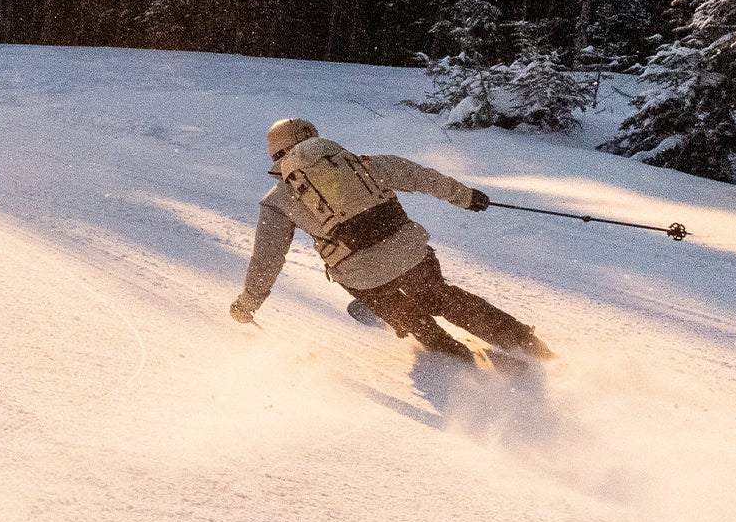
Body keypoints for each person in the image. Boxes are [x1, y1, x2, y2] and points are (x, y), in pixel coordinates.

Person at [234, 117, 556, 364]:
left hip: (362, 275)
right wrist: (467, 197)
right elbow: (420, 176)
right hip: (410, 251)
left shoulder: (278, 200)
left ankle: (456, 362)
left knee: (405, 313)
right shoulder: (361, 163)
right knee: (440, 296)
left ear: (276, 158)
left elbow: (267, 261)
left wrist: (247, 304)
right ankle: (527, 344)